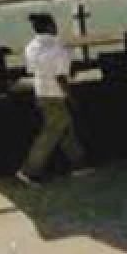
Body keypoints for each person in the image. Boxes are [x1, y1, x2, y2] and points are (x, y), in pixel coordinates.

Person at [18, 12, 87, 183]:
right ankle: (29, 170)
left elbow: (32, 70)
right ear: (50, 26)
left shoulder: (30, 47)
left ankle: (79, 163)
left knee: (64, 127)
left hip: (41, 92)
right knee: (52, 132)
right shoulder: (58, 48)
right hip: (55, 94)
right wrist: (70, 96)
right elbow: (61, 77)